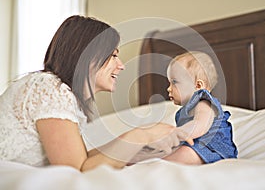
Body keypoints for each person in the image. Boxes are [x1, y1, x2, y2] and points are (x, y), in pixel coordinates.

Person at [0, 15, 192, 172]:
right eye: (114, 55)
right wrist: (141, 135)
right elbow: (76, 171)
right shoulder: (50, 89)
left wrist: (137, 147)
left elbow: (81, 159)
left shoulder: (58, 93)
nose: (121, 66)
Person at [163, 51, 238, 165]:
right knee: (170, 151)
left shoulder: (204, 103)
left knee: (184, 153)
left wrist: (177, 134)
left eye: (174, 82)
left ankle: (158, 163)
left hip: (214, 150)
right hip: (198, 146)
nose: (169, 89)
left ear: (198, 86)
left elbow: (200, 126)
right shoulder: (184, 111)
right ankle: (152, 160)